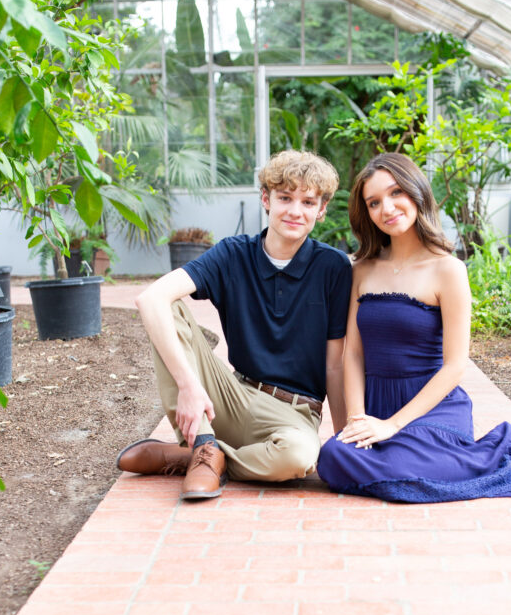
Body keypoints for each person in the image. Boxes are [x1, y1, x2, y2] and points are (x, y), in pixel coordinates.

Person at [317, 152, 511, 502]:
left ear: (416, 192)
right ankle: (405, 468)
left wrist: (391, 426)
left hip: (433, 409)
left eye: (395, 193)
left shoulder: (448, 269)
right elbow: (354, 355)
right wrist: (358, 419)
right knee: (332, 456)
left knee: (394, 461)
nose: (386, 208)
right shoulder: (361, 270)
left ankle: (493, 456)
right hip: (376, 402)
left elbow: (455, 366)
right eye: (374, 203)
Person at [117, 150, 351, 499]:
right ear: (266, 199)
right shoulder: (233, 253)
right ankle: (206, 442)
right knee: (167, 309)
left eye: (307, 201)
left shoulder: (333, 268)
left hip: (295, 414)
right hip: (231, 394)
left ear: (321, 209)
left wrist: (343, 438)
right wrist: (188, 387)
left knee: (299, 458)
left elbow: (334, 364)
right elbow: (150, 299)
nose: (295, 211)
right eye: (285, 198)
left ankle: (198, 457)